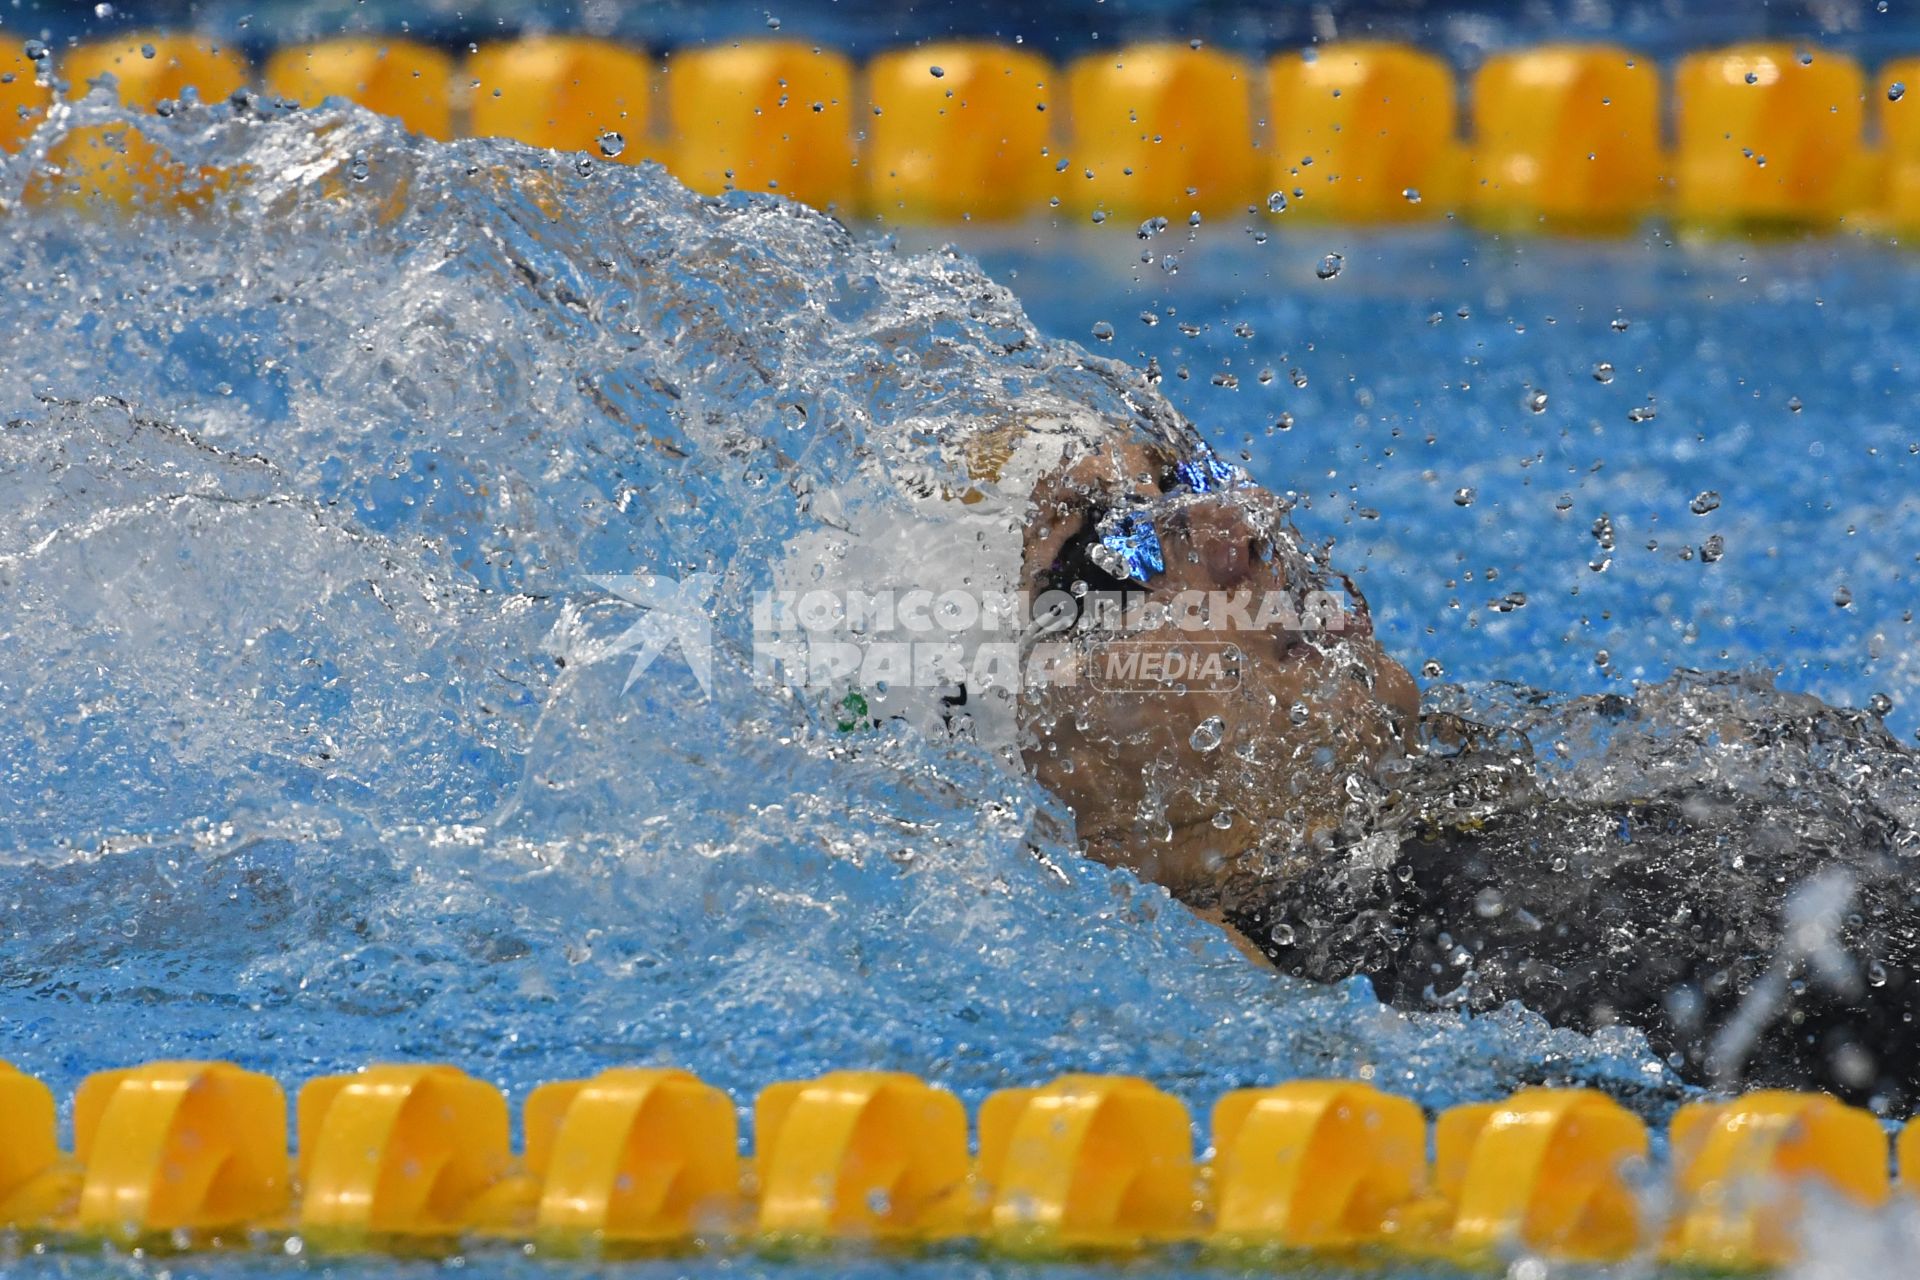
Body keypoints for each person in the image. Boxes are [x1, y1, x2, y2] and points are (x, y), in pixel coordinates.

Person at [1013, 433, 1920, 1115]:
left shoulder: (1563, 763)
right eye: (1116, 548)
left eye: (1192, 475)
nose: (1241, 520)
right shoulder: (1350, 1022)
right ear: (1038, 756)